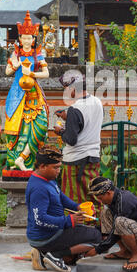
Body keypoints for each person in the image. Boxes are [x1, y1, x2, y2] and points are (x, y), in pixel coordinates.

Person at [25, 145, 102, 272]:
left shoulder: (48, 180)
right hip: (46, 237)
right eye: (55, 167)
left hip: (54, 231)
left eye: (59, 167)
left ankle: (45, 253)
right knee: (97, 238)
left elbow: (60, 197)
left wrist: (77, 207)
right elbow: (39, 220)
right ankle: (55, 255)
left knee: (85, 240)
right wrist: (69, 221)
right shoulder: (39, 188)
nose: (58, 170)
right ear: (43, 166)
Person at [53, 73, 104, 216]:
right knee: (94, 197)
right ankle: (98, 229)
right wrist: (68, 118)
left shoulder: (75, 109)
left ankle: (77, 232)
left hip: (75, 161)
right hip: (93, 157)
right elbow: (89, 123)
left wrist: (60, 131)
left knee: (73, 201)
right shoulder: (97, 102)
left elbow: (71, 139)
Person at [84, 176, 137, 272]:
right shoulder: (115, 199)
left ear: (108, 193)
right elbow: (113, 230)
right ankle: (125, 251)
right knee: (105, 213)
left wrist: (97, 250)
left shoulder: (124, 200)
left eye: (100, 198)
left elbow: (115, 232)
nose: (100, 201)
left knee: (120, 221)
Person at [4, 11, 49, 171]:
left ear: (34, 39)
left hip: (34, 94)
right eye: (24, 38)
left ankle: (26, 158)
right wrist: (15, 65)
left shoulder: (38, 55)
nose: (27, 41)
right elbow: (7, 72)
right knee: (20, 129)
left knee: (41, 126)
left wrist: (33, 74)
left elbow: (46, 73)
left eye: (30, 38)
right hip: (18, 95)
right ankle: (18, 161)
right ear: (20, 39)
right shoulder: (15, 54)